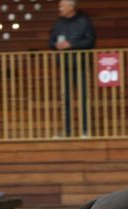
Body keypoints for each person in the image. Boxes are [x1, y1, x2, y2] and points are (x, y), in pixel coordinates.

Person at [49, 0, 96, 136]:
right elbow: (51, 40)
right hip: (64, 65)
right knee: (66, 99)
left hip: (81, 64)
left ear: (71, 7)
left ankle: (85, 130)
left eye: (62, 6)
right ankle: (67, 130)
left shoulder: (84, 21)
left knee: (83, 97)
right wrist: (56, 45)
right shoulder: (59, 23)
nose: (60, 8)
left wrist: (72, 45)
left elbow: (90, 41)